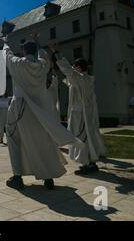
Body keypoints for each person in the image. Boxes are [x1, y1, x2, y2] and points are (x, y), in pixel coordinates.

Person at [2, 34, 84, 190]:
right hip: (39, 109)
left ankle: (17, 177)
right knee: (42, 142)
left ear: (24, 51)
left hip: (20, 107)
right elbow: (44, 55)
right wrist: (38, 43)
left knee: (14, 140)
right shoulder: (42, 65)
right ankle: (48, 177)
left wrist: (6, 43)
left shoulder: (18, 63)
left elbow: (7, 55)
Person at [49, 42, 107, 175]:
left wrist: (56, 52)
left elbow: (67, 70)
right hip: (84, 114)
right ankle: (89, 162)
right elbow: (69, 78)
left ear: (79, 68)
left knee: (81, 139)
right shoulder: (85, 79)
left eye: (75, 66)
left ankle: (88, 163)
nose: (73, 68)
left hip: (80, 115)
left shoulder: (80, 79)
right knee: (86, 138)